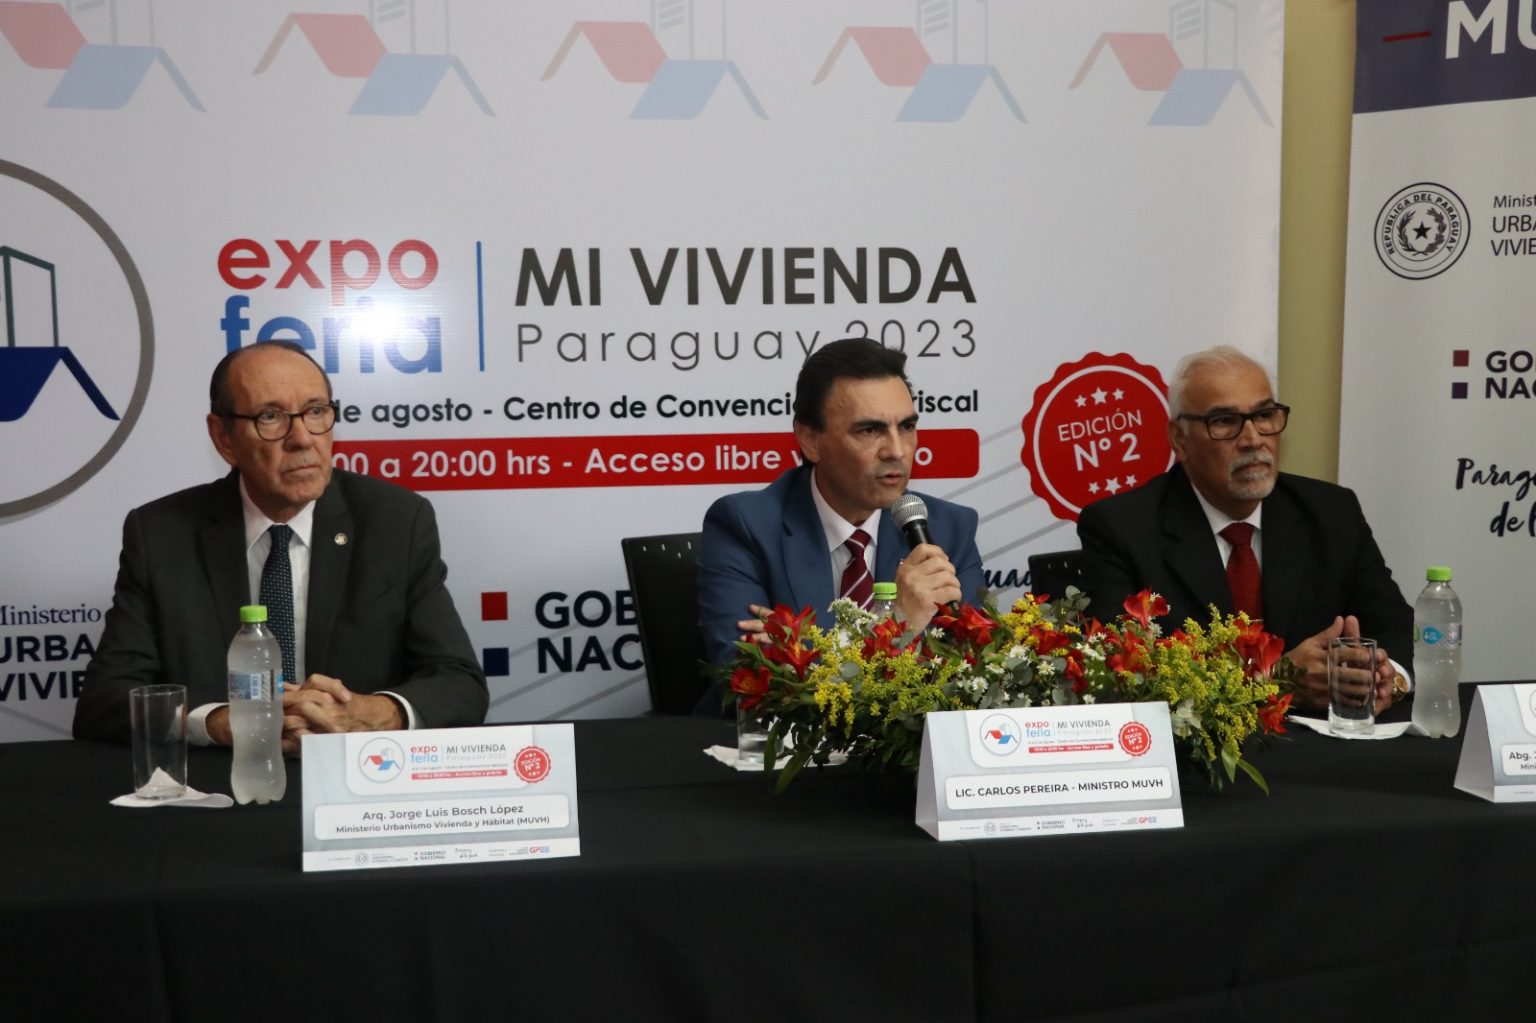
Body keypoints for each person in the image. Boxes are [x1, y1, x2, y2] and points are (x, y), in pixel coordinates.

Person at [74, 340, 487, 753]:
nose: (302, 439)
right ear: (224, 438)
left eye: (316, 412)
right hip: (222, 788)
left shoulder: (395, 521)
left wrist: (375, 712)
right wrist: (218, 722)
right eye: (271, 417)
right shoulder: (162, 534)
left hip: (360, 788)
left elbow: (459, 683)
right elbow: (104, 702)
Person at [1076, 345, 1413, 716]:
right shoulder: (1120, 528)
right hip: (1198, 760)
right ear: (1179, 439)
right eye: (1224, 422)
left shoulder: (1331, 512)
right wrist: (1272, 679)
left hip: (1320, 751)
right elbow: (1120, 674)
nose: (1254, 439)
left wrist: (1386, 678)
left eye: (1265, 415)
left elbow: (1398, 628)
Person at [695, 338, 984, 712]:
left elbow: (974, 676)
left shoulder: (947, 529)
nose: (896, 449)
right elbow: (746, 684)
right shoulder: (746, 526)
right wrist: (898, 626)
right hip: (773, 763)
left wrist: (803, 651)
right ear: (811, 440)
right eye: (869, 430)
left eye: (907, 426)